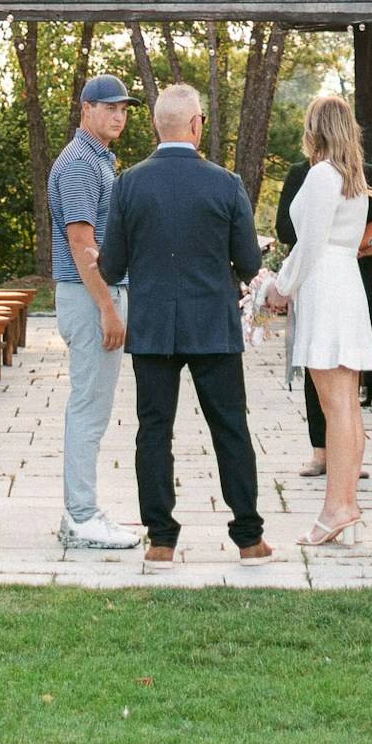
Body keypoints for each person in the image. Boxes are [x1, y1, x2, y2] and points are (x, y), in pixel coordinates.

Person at [96, 80, 271, 565]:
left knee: (153, 430)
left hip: (153, 325)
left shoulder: (128, 182)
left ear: (156, 124)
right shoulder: (226, 184)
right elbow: (249, 261)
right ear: (196, 125)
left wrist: (101, 260)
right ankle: (249, 536)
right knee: (230, 428)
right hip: (212, 322)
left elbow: (112, 265)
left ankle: (161, 539)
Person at [260, 93, 372, 546]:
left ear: (316, 129)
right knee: (346, 403)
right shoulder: (353, 179)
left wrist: (279, 288)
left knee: (336, 405)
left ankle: (338, 507)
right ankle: (344, 504)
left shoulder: (321, 176)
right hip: (345, 281)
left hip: (325, 285)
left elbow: (308, 245)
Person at [48, 72, 141, 554]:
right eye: (109, 107)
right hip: (89, 296)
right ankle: (81, 516)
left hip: (91, 294)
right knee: (89, 408)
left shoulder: (97, 158)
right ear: (85, 108)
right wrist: (108, 307)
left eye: (123, 109)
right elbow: (82, 244)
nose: (118, 116)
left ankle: (81, 512)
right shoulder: (82, 163)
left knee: (92, 407)